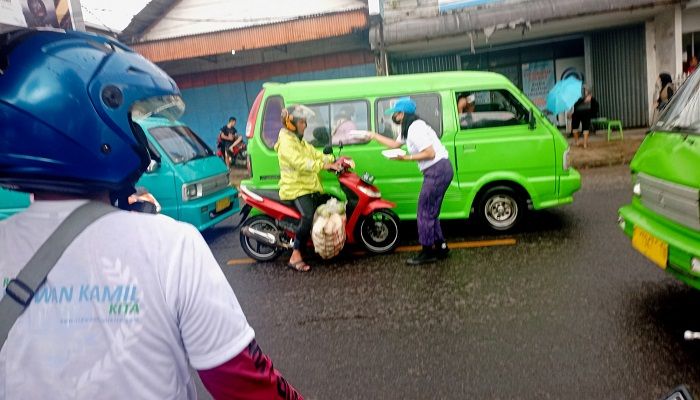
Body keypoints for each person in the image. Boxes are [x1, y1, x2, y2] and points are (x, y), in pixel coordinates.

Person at [0, 29, 303, 399]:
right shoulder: (170, 245)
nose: (137, 136)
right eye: (129, 120)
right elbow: (246, 384)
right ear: (90, 124)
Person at [364, 97, 453, 265]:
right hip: (440, 169)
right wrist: (373, 135)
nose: (394, 117)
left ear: (402, 114)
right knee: (431, 211)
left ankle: (427, 252)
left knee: (424, 211)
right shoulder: (410, 127)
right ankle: (441, 247)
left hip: (437, 170)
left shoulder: (415, 128)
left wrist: (406, 158)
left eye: (395, 114)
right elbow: (394, 144)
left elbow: (430, 153)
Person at [274, 104, 344, 272]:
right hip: (295, 188)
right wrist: (324, 166)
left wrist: (332, 158)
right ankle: (295, 255)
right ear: (291, 124)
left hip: (308, 186)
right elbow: (300, 162)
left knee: (330, 202)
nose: (305, 126)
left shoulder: (300, 141)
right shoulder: (286, 143)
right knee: (307, 216)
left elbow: (315, 154)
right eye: (302, 122)